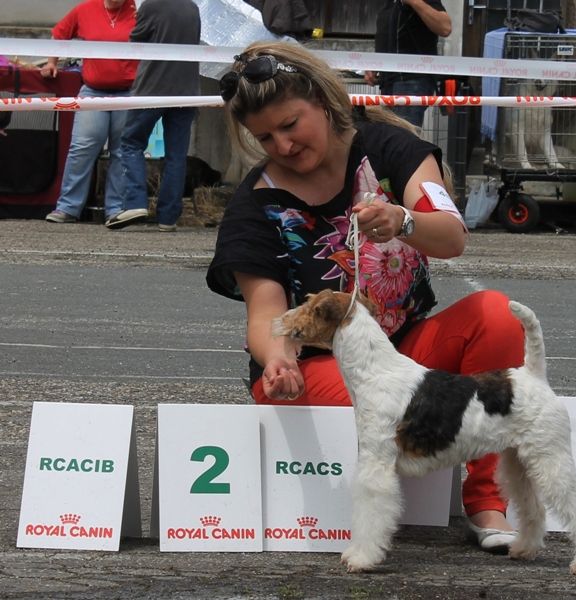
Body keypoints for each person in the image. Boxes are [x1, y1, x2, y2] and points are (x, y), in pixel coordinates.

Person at [206, 41, 522, 553]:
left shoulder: (393, 151)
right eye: (265, 136)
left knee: (497, 315)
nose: (282, 145)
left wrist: (404, 219)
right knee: (377, 406)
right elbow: (267, 316)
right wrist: (278, 361)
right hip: (316, 366)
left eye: (290, 125)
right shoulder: (253, 206)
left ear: (322, 100)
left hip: (401, 355)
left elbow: (453, 239)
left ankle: (487, 497)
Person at [105, 0, 201, 232]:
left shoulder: (151, 5)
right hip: (187, 91)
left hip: (152, 88)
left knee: (130, 142)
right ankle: (168, 217)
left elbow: (136, 40)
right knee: (176, 156)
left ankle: (136, 202)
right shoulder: (192, 7)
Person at [42, 0, 138, 224]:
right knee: (82, 147)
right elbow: (60, 33)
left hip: (130, 91)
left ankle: (116, 209)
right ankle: (67, 207)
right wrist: (51, 63)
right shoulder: (84, 9)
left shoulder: (139, 11)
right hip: (93, 89)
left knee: (123, 151)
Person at [364, 0, 452, 129]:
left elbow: (445, 27)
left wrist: (414, 2)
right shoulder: (389, 5)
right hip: (389, 81)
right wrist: (375, 63)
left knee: (404, 138)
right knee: (391, 136)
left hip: (412, 80)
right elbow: (387, 35)